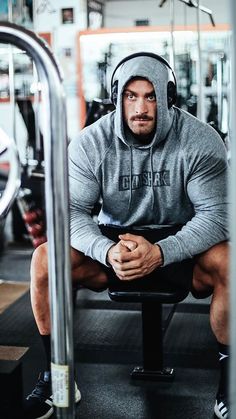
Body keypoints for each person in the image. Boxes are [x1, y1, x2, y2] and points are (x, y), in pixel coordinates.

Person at [24, 52, 229, 419]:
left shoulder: (201, 140)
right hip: (114, 242)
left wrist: (163, 251)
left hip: (181, 243)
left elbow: (219, 215)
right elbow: (69, 213)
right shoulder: (91, 143)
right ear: (117, 98)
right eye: (131, 96)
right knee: (45, 261)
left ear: (168, 98)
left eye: (151, 96)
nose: (140, 108)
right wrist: (105, 251)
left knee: (230, 262)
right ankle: (58, 376)